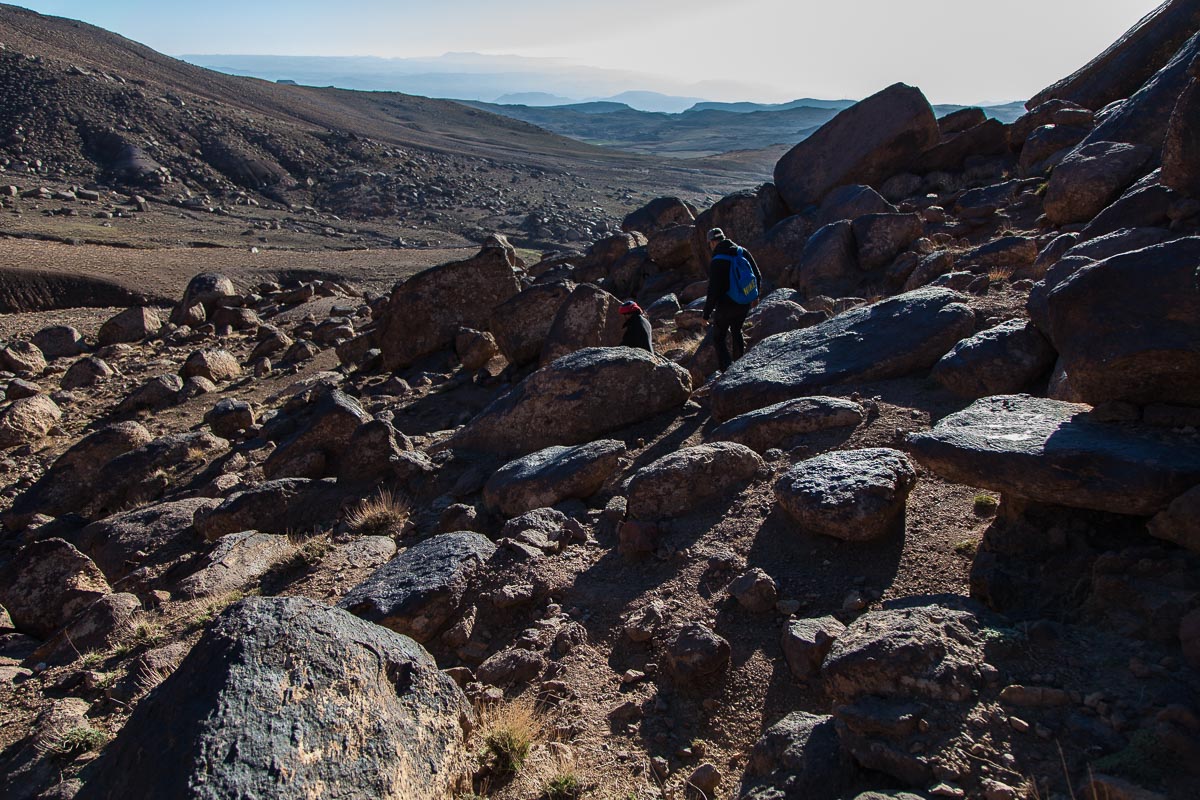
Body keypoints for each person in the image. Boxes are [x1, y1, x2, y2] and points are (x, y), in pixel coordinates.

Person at [702, 227, 762, 371]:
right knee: (737, 330)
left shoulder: (717, 260)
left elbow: (713, 290)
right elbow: (757, 275)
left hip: (725, 305)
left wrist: (706, 314)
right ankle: (740, 366)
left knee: (718, 337)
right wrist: (754, 296)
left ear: (712, 242)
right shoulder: (742, 252)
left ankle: (727, 370)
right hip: (743, 303)